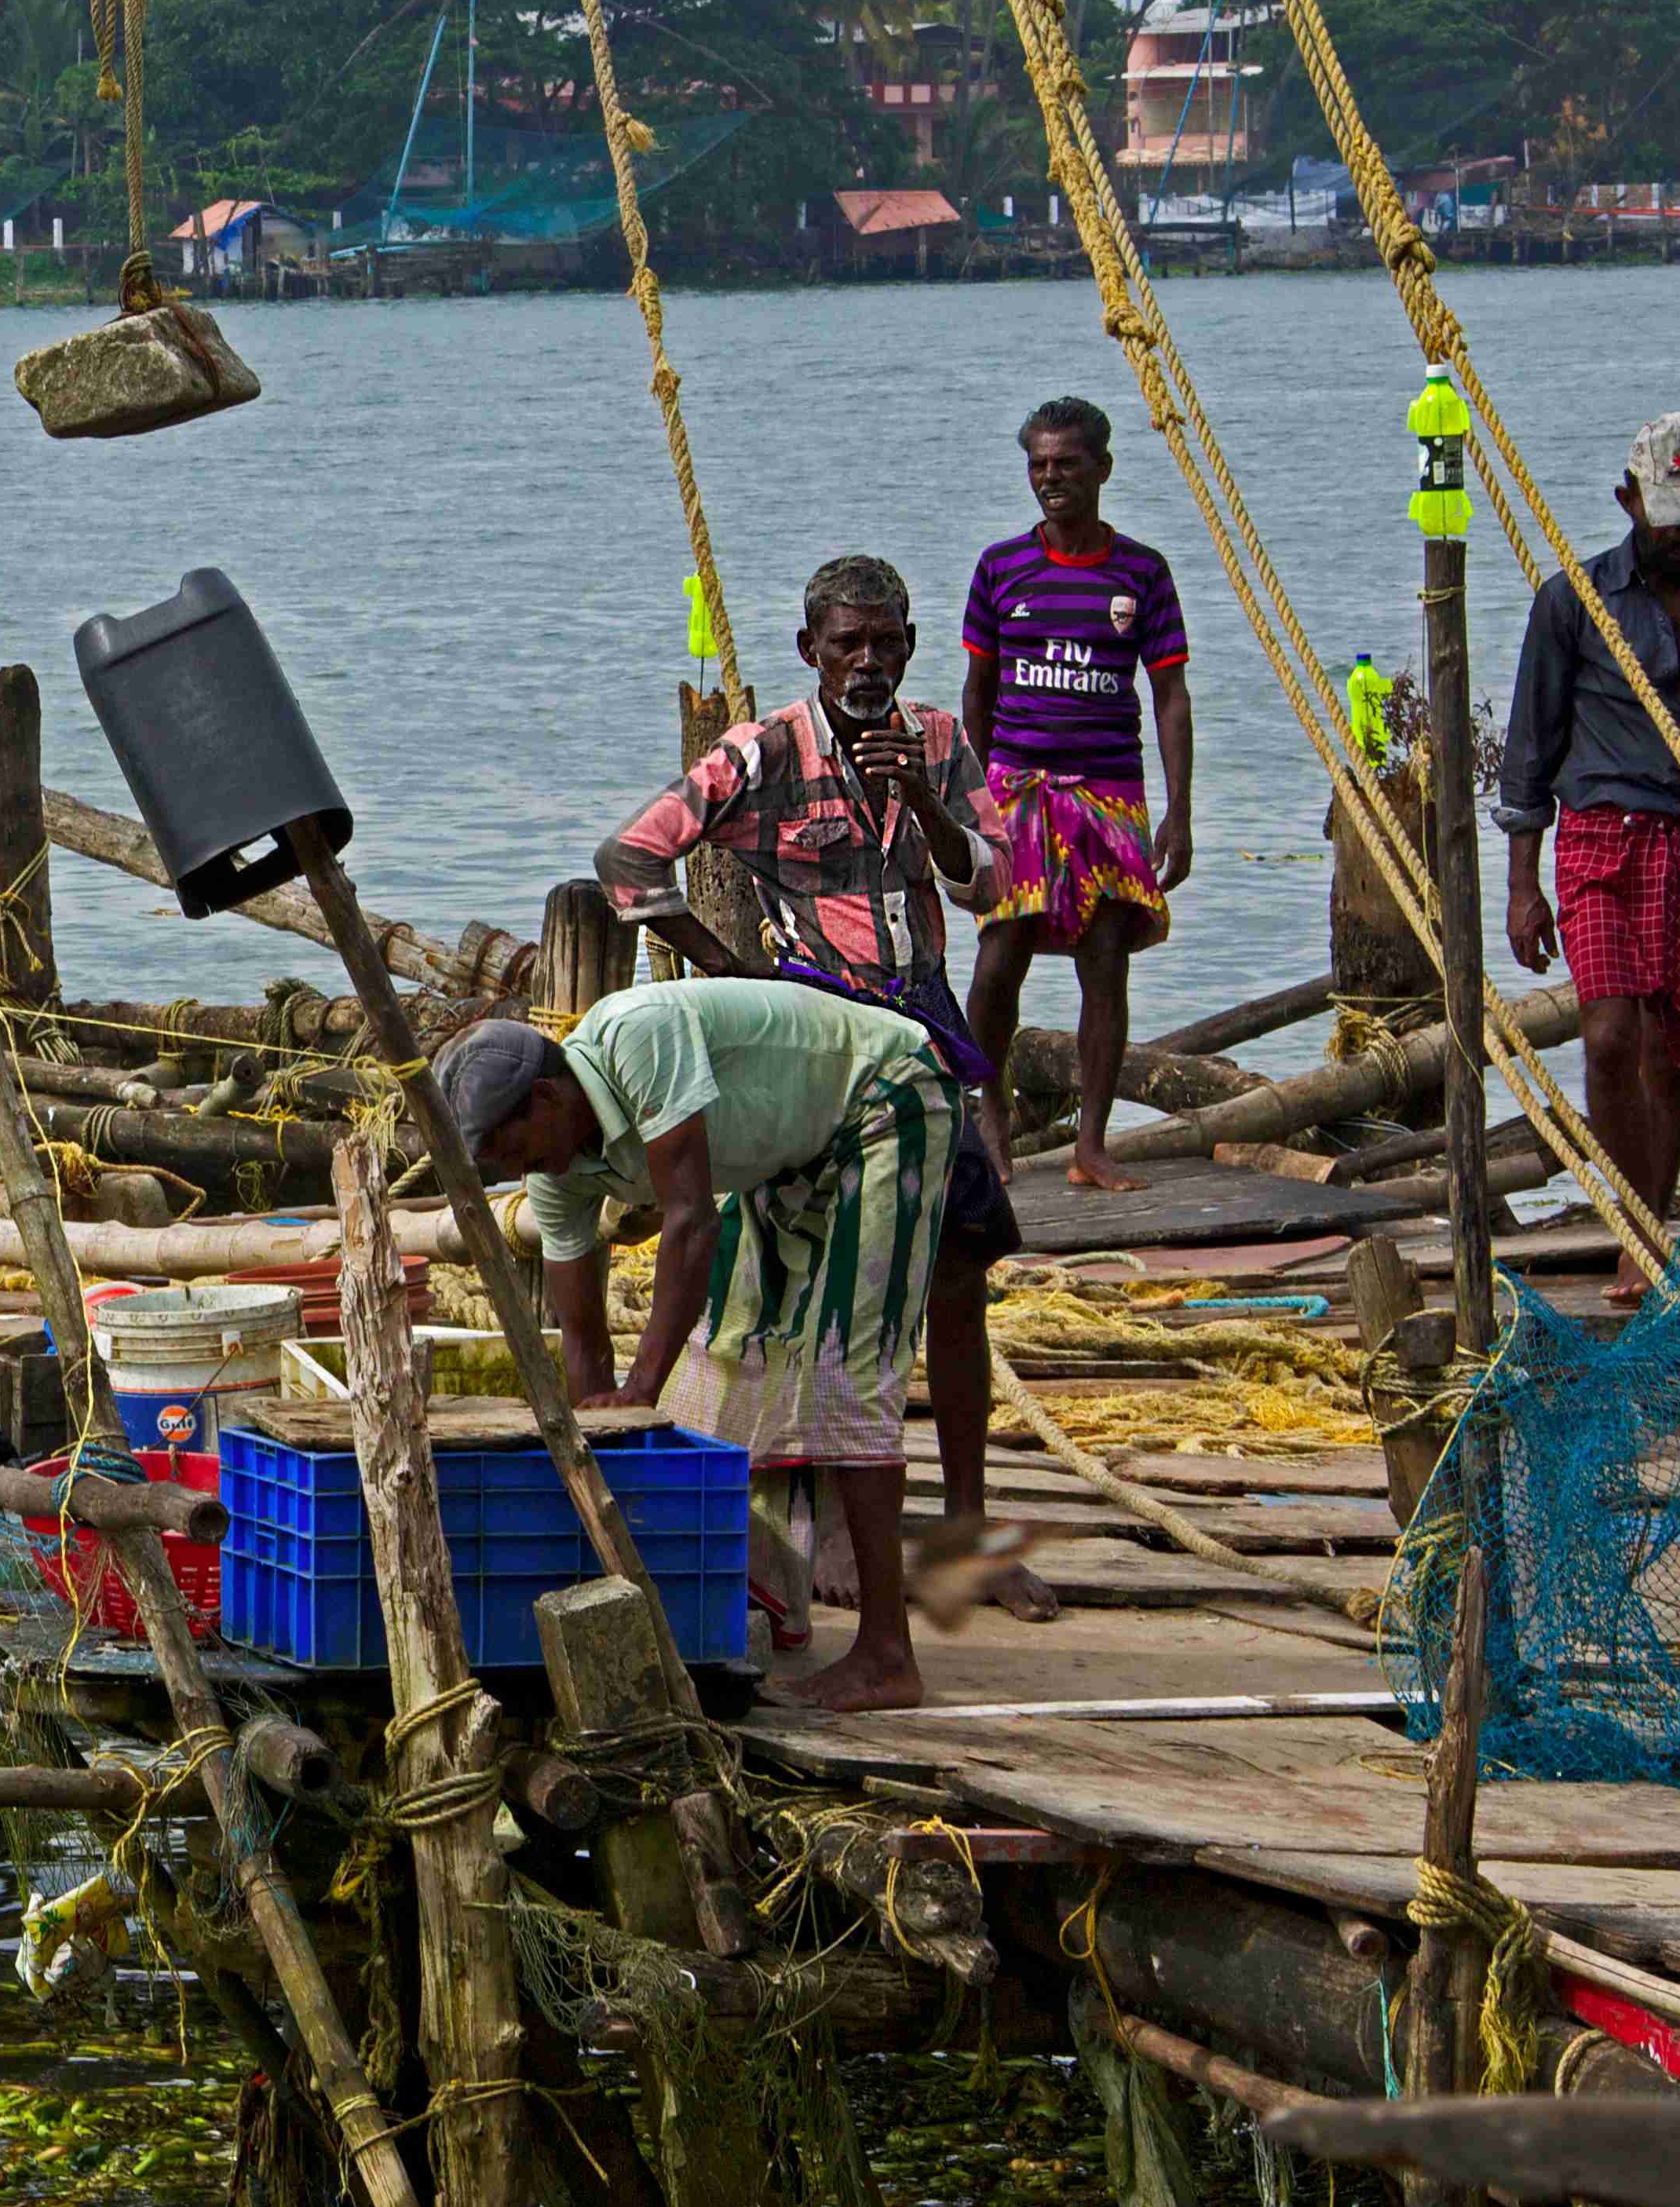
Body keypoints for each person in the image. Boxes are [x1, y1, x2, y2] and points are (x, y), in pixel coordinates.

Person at [593, 552, 1052, 1624]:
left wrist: (917, 803)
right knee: (825, 1280)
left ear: (910, 646)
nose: (869, 660)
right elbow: (629, 861)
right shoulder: (760, 753)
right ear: (811, 651)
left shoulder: (937, 742)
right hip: (813, 1039)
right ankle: (837, 1522)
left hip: (921, 1026)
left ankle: (970, 1532)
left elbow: (992, 877)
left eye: (887, 641)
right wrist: (728, 971)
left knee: (958, 1270)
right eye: (848, 643)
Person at [439, 983, 969, 1712]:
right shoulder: (555, 1172)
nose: (509, 1171)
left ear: (548, 1099)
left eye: (507, 1147)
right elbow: (584, 1343)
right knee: (724, 1362)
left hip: (883, 1099)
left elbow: (691, 1221)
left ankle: (886, 1655)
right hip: (780, 1159)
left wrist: (638, 1395)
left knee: (846, 1368)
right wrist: (592, 1445)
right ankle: (770, 1608)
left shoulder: (638, 1037)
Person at [1499, 411, 1680, 1272]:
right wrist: (1524, 884)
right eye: (1663, 518)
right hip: (1601, 837)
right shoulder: (1575, 601)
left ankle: (1650, 1227)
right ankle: (1628, 1217)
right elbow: (1530, 751)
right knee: (1609, 1037)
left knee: (1676, 1041)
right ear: (1628, 501)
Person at [960, 396, 1195, 1192]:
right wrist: (977, 798)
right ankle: (988, 1119)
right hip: (1017, 788)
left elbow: (1169, 696)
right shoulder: (1001, 568)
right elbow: (979, 688)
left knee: (1106, 960)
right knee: (1000, 956)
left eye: (1066, 464)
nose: (1050, 478)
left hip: (1109, 793)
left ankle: (1091, 1146)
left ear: (1102, 469)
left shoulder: (1142, 571)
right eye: (1038, 465)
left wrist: (1179, 812)